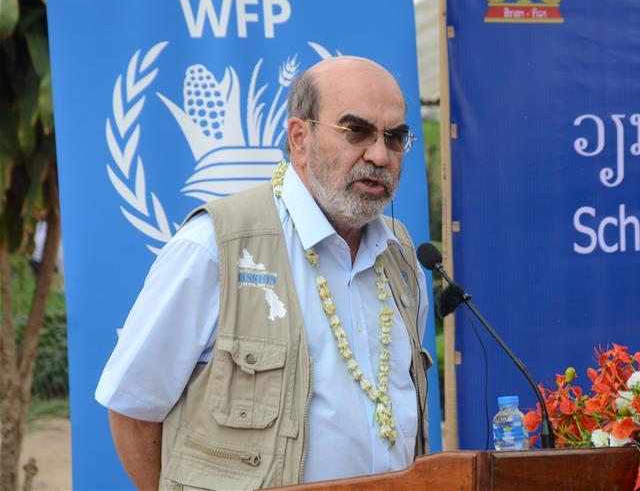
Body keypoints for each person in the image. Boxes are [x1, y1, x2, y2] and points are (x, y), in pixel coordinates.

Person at [96, 56, 431, 489]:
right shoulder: (217, 245)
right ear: (299, 138)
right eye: (357, 132)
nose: (380, 155)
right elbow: (131, 408)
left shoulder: (401, 254)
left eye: (396, 137)